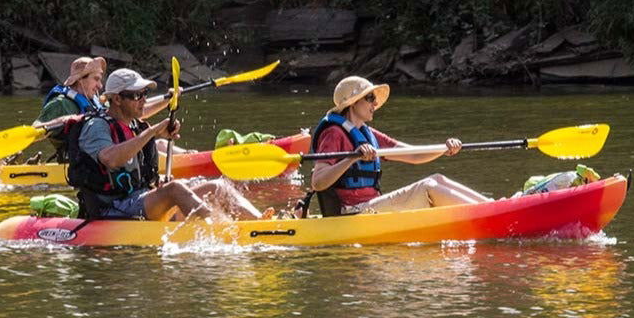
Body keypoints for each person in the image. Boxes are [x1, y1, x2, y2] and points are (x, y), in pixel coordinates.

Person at [68, 68, 272, 221]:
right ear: (118, 99)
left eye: (144, 95)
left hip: (138, 198)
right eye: (137, 95)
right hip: (110, 208)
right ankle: (219, 235)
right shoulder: (97, 126)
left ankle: (262, 223)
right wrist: (154, 132)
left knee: (217, 187)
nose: (143, 101)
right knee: (175, 189)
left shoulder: (133, 124)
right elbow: (110, 159)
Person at [309, 76, 491, 216]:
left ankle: (491, 205)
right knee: (428, 186)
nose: (375, 103)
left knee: (438, 178)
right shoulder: (333, 133)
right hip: (351, 212)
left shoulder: (367, 134)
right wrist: (352, 157)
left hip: (371, 204)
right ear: (354, 102)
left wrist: (445, 148)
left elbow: (412, 155)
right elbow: (318, 182)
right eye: (370, 98)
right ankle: (489, 214)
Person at [33, 56, 185, 162]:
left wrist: (168, 99)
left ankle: (194, 156)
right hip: (80, 160)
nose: (100, 86)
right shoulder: (61, 104)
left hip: (107, 150)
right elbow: (35, 131)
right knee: (152, 149)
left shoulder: (93, 101)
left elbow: (136, 111)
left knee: (160, 144)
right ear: (80, 80)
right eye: (96, 79)